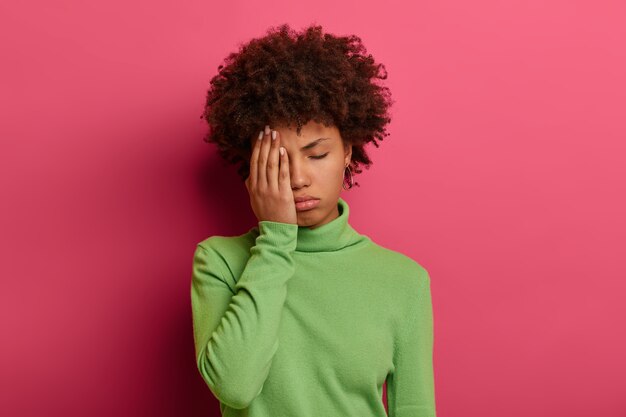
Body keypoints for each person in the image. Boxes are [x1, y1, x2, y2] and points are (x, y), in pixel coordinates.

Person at [191, 23, 436, 417]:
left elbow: (416, 408)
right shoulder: (220, 261)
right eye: (279, 161)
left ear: (348, 153)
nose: (299, 178)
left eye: (317, 154)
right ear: (253, 164)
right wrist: (275, 238)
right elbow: (234, 387)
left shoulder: (404, 280)